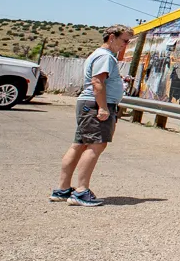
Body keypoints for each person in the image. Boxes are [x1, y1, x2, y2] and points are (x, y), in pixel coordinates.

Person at [52, 25, 134, 207]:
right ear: (112, 37)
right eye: (124, 41)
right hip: (95, 105)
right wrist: (103, 107)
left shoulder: (101, 55)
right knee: (96, 145)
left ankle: (63, 189)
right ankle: (81, 191)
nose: (125, 45)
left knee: (79, 145)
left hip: (89, 105)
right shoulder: (105, 56)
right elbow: (98, 82)